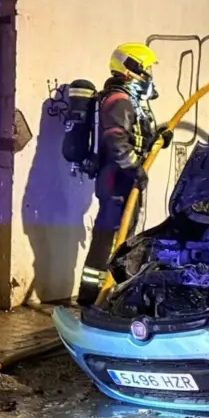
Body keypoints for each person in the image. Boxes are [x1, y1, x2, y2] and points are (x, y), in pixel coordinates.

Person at [77, 43, 173, 306]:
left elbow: (135, 138)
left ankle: (110, 292)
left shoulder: (129, 101)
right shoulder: (119, 101)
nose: (149, 75)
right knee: (109, 237)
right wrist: (135, 169)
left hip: (122, 179)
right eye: (146, 68)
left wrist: (159, 137)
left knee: (121, 237)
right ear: (131, 69)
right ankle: (94, 296)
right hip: (116, 180)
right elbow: (116, 141)